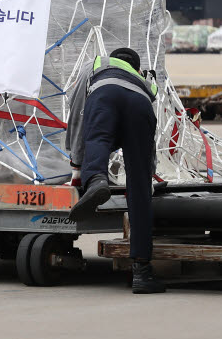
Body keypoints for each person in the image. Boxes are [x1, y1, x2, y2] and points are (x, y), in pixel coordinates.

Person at [65, 47, 164, 294]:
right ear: (137, 68)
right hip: (140, 106)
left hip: (104, 96)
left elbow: (78, 116)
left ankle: (97, 179)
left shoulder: (97, 64)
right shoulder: (144, 82)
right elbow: (148, 142)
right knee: (139, 190)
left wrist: (78, 168)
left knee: (98, 138)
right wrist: (147, 176)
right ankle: (142, 271)